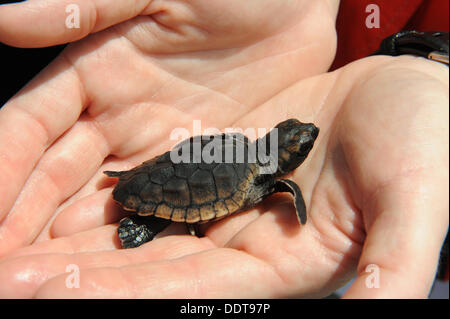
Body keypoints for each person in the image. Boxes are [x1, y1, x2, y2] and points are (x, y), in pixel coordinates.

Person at [0, 0, 447, 298]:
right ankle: (143, 221)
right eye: (298, 137)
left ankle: (139, 204)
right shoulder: (266, 179)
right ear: (283, 159)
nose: (305, 135)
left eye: (302, 138)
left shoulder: (242, 149)